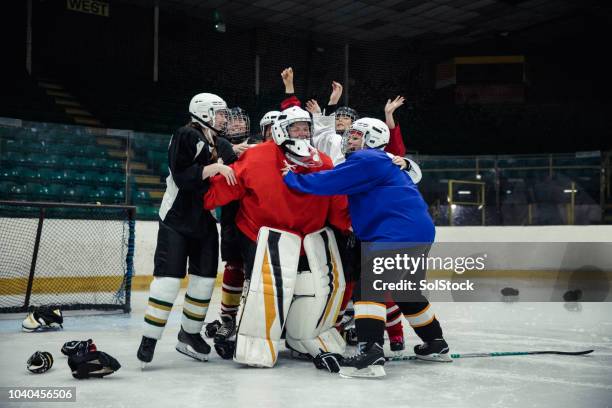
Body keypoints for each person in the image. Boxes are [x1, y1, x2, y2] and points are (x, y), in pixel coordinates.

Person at [283, 118, 450, 378]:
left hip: (395, 234)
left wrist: (292, 178)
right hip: (415, 231)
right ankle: (436, 344)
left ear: (372, 139)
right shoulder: (379, 161)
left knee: (369, 287)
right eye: (349, 135)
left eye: (356, 136)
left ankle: (371, 354)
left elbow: (329, 182)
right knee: (407, 292)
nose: (349, 140)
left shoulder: (368, 160)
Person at [203, 106, 351, 365]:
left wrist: (350, 225)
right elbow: (228, 186)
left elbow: (336, 202)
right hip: (262, 237)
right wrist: (198, 196)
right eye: (297, 127)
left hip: (307, 241)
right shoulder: (256, 156)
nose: (303, 133)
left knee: (312, 288)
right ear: (282, 131)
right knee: (267, 289)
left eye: (306, 127)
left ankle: (304, 335)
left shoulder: (324, 162)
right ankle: (254, 340)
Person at [136, 93, 236, 367]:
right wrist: (214, 167)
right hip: (176, 219)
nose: (224, 118)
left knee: (204, 282)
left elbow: (237, 159)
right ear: (203, 113)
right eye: (220, 113)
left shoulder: (220, 142)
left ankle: (189, 335)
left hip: (203, 220)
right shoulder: (185, 134)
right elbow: (181, 175)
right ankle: (149, 338)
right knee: (168, 281)